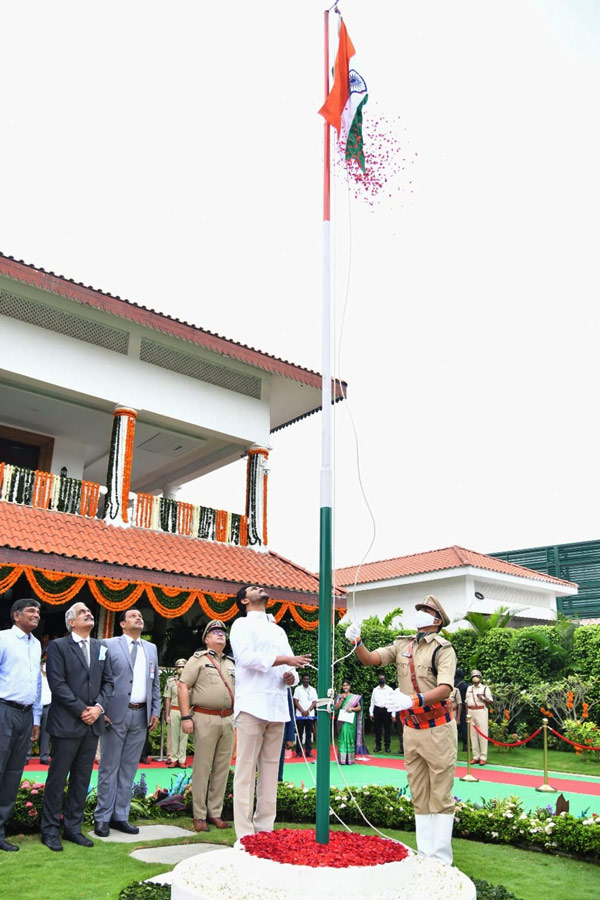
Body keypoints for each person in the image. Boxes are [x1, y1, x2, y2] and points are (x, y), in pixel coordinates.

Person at [345, 595, 457, 865]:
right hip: (411, 728)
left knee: (440, 792)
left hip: (438, 727)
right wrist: (357, 642)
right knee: (418, 791)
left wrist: (413, 700)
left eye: (426, 610)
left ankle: (441, 859)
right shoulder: (402, 644)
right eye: (419, 608)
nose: (420, 612)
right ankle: (425, 853)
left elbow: (445, 688)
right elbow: (371, 660)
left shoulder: (443, 649)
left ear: (437, 620)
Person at [230, 585, 311, 839]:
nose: (260, 589)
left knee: (269, 772)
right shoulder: (241, 625)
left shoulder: (278, 630)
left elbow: (293, 666)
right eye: (254, 588)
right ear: (244, 599)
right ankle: (244, 834)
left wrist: (290, 675)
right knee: (245, 771)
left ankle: (265, 830)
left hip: (277, 706)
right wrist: (285, 660)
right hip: (252, 704)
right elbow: (246, 658)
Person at [41, 602, 113, 851]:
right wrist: (83, 709)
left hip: (92, 725)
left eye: (89, 612)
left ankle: (72, 828)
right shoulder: (58, 646)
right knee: (57, 779)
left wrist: (98, 709)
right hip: (66, 723)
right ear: (71, 622)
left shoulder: (100, 647)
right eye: (82, 613)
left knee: (82, 780)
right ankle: (49, 830)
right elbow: (57, 683)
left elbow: (108, 682)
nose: (89, 614)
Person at [94, 608, 160, 836]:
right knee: (108, 768)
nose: (139, 618)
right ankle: (102, 817)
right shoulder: (107, 645)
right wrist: (101, 709)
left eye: (140, 616)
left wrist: (156, 710)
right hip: (114, 715)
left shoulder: (150, 648)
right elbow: (98, 678)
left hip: (141, 715)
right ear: (122, 624)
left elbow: (155, 683)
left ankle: (120, 816)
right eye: (133, 616)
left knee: (129, 769)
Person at [178, 620, 236, 832]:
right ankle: (199, 815)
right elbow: (183, 686)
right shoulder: (198, 659)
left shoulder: (231, 663)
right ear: (206, 639)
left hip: (227, 719)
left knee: (222, 768)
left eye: (222, 632)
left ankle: (215, 812)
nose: (220, 635)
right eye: (215, 632)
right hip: (204, 717)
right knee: (202, 768)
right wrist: (186, 717)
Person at [0, 598, 42, 852]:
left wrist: (36, 718)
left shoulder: (36, 644)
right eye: (30, 611)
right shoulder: (3, 638)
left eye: (38, 611)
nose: (36, 615)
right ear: (17, 616)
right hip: (4, 709)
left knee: (14, 773)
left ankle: (1, 830)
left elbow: (36, 682)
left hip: (26, 715)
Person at [164, 658, 189, 768]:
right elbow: (167, 698)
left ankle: (182, 759)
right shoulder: (171, 681)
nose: (181, 669)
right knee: (173, 736)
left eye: (183, 667)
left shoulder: (190, 681)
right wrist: (167, 714)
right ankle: (173, 758)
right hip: (174, 709)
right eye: (179, 667)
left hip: (186, 711)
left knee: (184, 736)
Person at [334, 680, 366, 764]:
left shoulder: (354, 697)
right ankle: (342, 759)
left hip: (351, 720)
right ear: (342, 687)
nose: (345, 687)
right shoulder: (339, 696)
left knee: (350, 737)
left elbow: (359, 708)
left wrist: (352, 708)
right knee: (343, 736)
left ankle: (350, 759)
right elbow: (336, 707)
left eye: (347, 685)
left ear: (350, 686)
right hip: (342, 720)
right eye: (344, 685)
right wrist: (341, 700)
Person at [466, 669, 493, 765]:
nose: (475, 678)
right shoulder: (469, 688)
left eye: (476, 676)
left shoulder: (485, 688)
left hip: (481, 711)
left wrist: (482, 697)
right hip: (471, 711)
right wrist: (467, 715)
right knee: (473, 735)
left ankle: (483, 756)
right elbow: (466, 702)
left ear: (480, 678)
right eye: (473, 676)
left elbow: (491, 701)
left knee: (482, 734)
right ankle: (475, 756)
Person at [293, 672, 318, 757]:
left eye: (307, 679)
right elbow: (295, 701)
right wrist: (302, 711)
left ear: (309, 680)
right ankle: (299, 752)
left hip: (310, 715)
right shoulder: (298, 689)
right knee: (299, 734)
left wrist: (307, 711)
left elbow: (314, 702)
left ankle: (308, 751)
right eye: (304, 679)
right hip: (300, 715)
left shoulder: (313, 690)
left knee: (308, 734)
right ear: (302, 680)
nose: (306, 681)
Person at [369, 672, 395, 753]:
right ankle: (378, 746)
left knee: (387, 729)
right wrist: (371, 713)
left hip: (386, 710)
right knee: (378, 729)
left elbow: (393, 702)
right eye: (380, 679)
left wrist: (393, 714)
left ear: (385, 680)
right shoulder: (375, 690)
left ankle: (387, 746)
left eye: (383, 678)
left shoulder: (390, 690)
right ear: (378, 680)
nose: (381, 680)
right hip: (377, 710)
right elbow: (372, 702)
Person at [38, 657, 52, 764]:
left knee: (46, 733)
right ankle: (26, 756)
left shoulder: (52, 678)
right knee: (31, 732)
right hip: (36, 707)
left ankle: (44, 756)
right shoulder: (37, 677)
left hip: (48, 706)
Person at [454, 668, 468, 752]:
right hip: (462, 706)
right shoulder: (464, 685)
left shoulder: (451, 684)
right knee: (464, 727)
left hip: (453, 707)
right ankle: (465, 745)